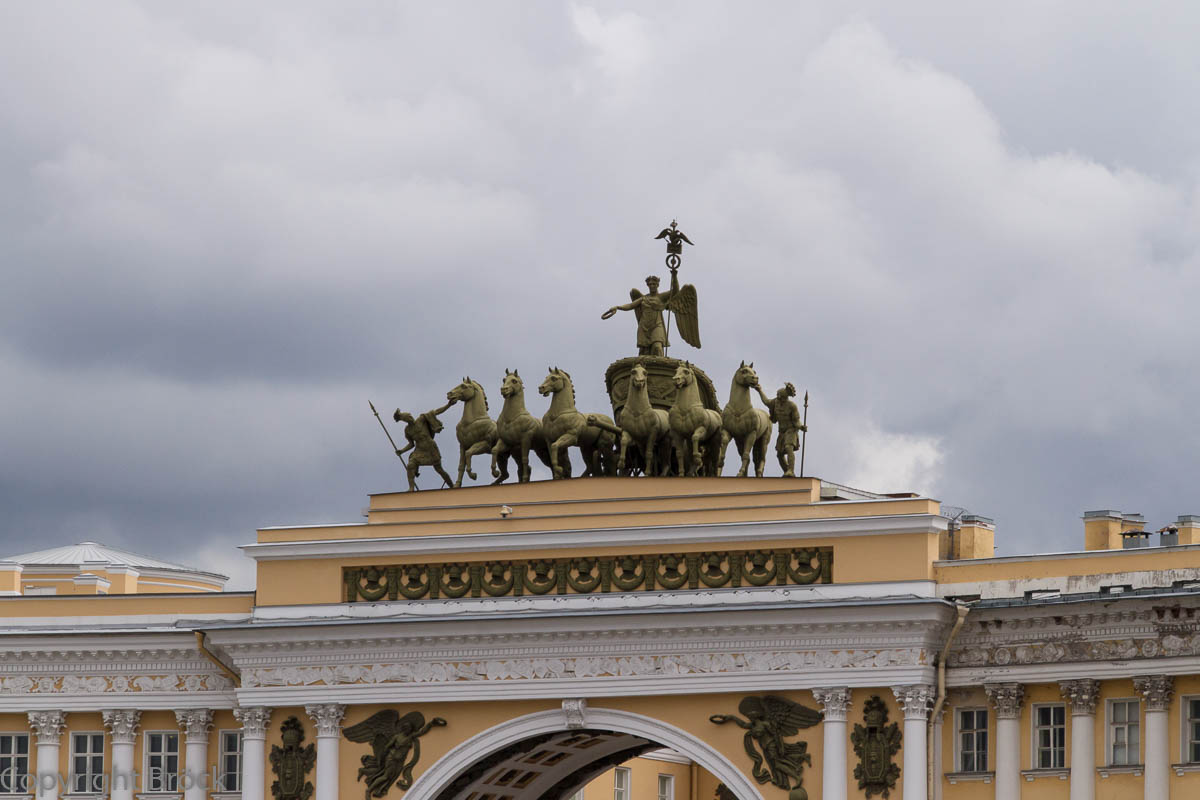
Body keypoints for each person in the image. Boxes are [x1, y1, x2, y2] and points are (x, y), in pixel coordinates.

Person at [393, 399, 456, 490]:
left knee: (439, 469)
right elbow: (411, 444)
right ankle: (411, 488)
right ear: (404, 420)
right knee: (410, 465)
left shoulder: (421, 419)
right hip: (419, 450)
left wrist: (448, 405)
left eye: (410, 415)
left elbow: (436, 412)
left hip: (430, 447)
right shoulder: (407, 430)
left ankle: (452, 487)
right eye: (407, 417)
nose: (410, 417)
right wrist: (402, 451)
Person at [755, 382, 806, 477]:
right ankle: (786, 470)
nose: (778, 398)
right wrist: (760, 390)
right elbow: (766, 401)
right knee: (779, 454)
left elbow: (796, 421)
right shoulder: (775, 402)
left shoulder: (792, 406)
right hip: (782, 431)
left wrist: (801, 427)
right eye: (777, 396)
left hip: (791, 430)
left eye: (780, 397)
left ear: (785, 398)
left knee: (788, 447)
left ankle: (791, 470)